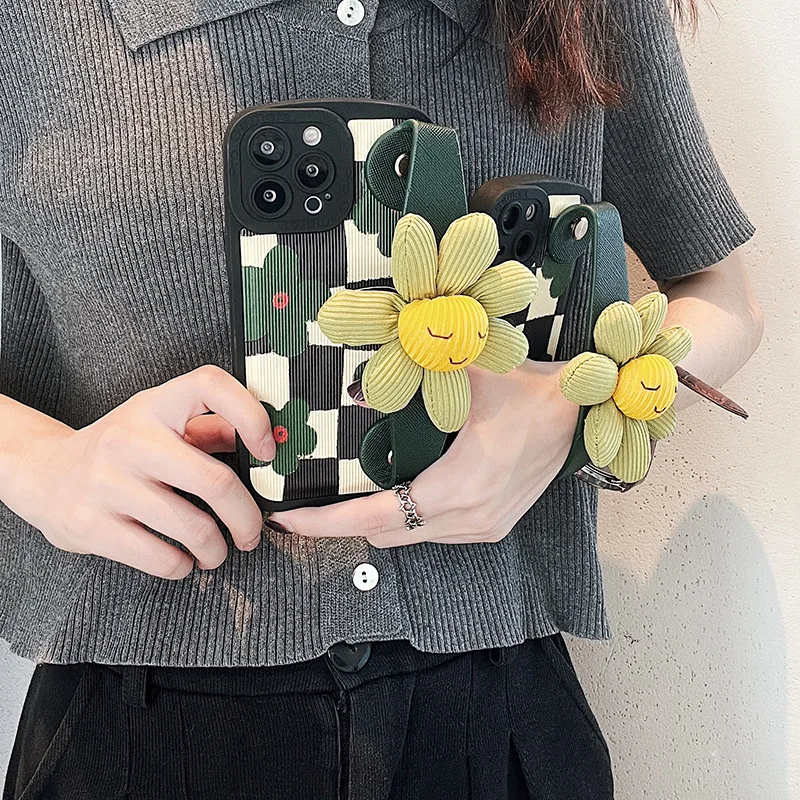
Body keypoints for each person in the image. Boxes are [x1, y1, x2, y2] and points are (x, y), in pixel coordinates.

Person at [0, 0, 763, 797]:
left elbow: (724, 297)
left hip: (495, 710)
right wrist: (39, 464)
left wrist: (567, 414)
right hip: (133, 722)